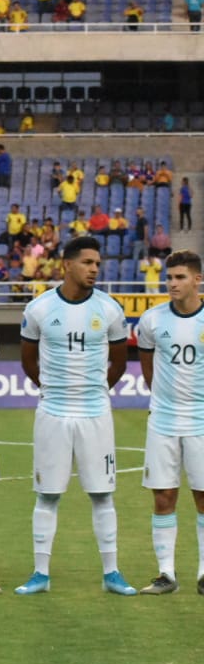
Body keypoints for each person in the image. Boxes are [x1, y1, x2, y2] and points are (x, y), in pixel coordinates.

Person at [14, 236, 136, 596]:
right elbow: (27, 360)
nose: (94, 269)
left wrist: (95, 391)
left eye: (97, 263)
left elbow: (119, 362)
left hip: (95, 413)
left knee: (102, 494)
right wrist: (52, 389)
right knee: (47, 494)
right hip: (52, 412)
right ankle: (40, 573)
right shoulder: (38, 309)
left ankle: (112, 573)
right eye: (87, 262)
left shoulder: (111, 309)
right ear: (66, 265)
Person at [136, 250, 204, 595]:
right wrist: (161, 400)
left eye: (180, 277)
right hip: (163, 420)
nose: (172, 283)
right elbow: (148, 366)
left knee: (203, 496)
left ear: (198, 279)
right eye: (169, 277)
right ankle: (166, 574)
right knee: (163, 496)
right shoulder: (151, 320)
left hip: (202, 421)